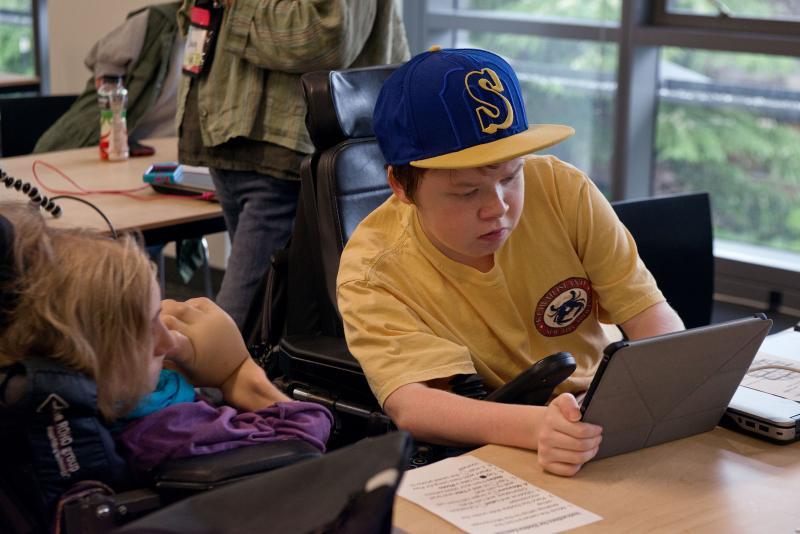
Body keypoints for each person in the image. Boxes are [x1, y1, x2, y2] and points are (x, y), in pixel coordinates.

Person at [336, 47, 686, 477]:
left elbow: (650, 315)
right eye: (467, 191)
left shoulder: (561, 188)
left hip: (607, 414)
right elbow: (414, 403)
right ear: (401, 187)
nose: (497, 207)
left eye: (510, 176)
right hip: (505, 442)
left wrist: (676, 385)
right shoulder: (372, 270)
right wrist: (538, 426)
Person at [0, 202, 331, 479]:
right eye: (147, 328)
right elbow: (304, 439)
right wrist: (238, 372)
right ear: (94, 359)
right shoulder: (166, 433)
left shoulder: (38, 386)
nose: (168, 343)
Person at [176, 0, 410, 329]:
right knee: (268, 319)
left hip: (280, 154)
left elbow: (326, 35)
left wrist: (238, 9)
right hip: (228, 141)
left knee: (230, 331)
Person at [34, 2, 183, 153]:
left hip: (167, 153)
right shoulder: (158, 22)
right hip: (103, 146)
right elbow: (106, 64)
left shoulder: (205, 40)